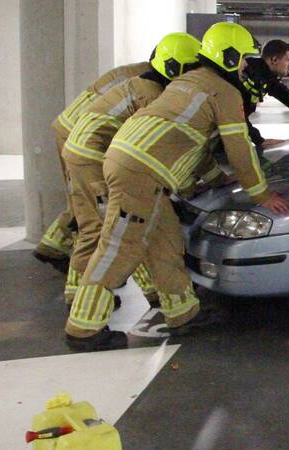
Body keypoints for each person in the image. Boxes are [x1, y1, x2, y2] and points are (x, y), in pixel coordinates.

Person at [64, 22, 289, 351]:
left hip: (131, 164)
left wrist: (214, 180)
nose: (245, 66)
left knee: (165, 240)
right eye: (242, 59)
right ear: (228, 57)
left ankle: (183, 313)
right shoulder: (224, 92)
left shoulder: (188, 81)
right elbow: (239, 148)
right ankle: (83, 329)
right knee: (120, 247)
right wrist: (262, 194)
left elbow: (191, 142)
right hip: (140, 172)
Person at [60, 32, 202, 308]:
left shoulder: (138, 84)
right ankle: (90, 304)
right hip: (96, 160)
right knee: (124, 234)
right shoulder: (154, 96)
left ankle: (76, 292)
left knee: (95, 227)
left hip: (79, 154)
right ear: (177, 69)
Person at [35, 59, 151, 272]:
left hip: (70, 127)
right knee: (97, 211)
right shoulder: (148, 83)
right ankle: (85, 275)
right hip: (84, 136)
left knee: (80, 199)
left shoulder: (134, 70)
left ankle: (52, 244)